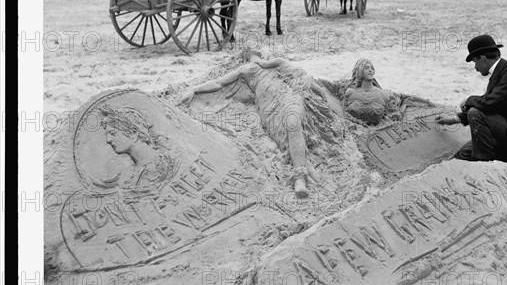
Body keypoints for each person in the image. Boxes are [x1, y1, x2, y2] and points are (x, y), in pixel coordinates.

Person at [178, 49, 344, 198]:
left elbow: (302, 76)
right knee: (285, 136)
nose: (254, 48)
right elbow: (219, 83)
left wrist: (312, 83)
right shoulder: (243, 70)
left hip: (288, 95)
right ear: (246, 54)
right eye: (250, 48)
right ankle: (303, 166)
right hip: (268, 107)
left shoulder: (275, 63)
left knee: (292, 122)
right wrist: (194, 90)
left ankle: (299, 177)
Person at [435, 34, 507, 170]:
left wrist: (469, 100)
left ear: (482, 58)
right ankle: (492, 157)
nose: (476, 68)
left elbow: (488, 104)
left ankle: (485, 166)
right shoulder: (502, 72)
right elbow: (490, 106)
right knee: (462, 156)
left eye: (475, 62)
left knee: (474, 112)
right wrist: (454, 119)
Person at [98, 105, 178, 193]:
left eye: (113, 133)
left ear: (133, 134)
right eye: (107, 135)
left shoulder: (165, 163)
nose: (108, 140)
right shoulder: (134, 177)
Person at [343, 59, 390, 125]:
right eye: (366, 68)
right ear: (360, 71)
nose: (370, 70)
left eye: (372, 68)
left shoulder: (383, 95)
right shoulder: (350, 93)